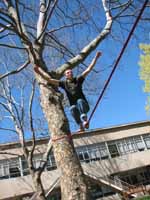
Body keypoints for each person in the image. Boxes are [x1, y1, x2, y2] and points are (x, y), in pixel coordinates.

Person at [34, 51, 102, 132]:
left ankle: (84, 120)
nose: (70, 73)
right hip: (76, 109)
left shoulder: (78, 80)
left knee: (79, 101)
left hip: (84, 106)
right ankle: (81, 126)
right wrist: (39, 72)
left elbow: (88, 69)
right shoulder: (64, 83)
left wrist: (96, 58)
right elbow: (50, 80)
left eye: (71, 72)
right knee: (72, 108)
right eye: (68, 73)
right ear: (65, 75)